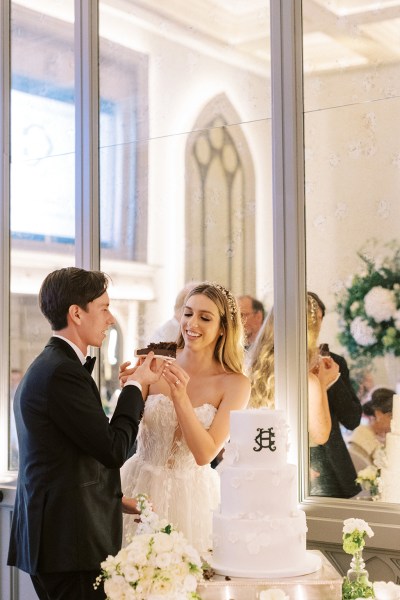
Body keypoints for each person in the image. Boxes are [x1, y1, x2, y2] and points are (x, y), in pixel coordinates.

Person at [7, 267, 164, 600]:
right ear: (76, 313)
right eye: (104, 308)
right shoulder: (62, 372)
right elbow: (112, 449)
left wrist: (113, 500)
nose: (109, 318)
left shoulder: (52, 365)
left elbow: (65, 459)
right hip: (68, 547)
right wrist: (137, 385)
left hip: (59, 542)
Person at [120, 281, 250, 554]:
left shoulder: (235, 384)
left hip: (191, 499)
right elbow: (122, 431)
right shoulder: (155, 361)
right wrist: (129, 390)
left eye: (205, 317)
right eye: (188, 313)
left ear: (223, 327)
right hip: (137, 484)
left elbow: (205, 454)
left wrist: (180, 398)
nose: (192, 323)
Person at [247, 294, 337, 446]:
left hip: (255, 457)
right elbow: (320, 436)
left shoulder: (250, 369)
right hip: (288, 463)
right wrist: (322, 383)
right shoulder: (307, 381)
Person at [307, 292, 362, 498]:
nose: (313, 325)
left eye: (317, 319)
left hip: (331, 463)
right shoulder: (274, 362)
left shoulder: (334, 362)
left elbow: (353, 420)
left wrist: (333, 379)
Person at [347, 387, 394, 472]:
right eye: (391, 416)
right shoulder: (361, 436)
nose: (396, 421)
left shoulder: (391, 436)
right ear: (378, 413)